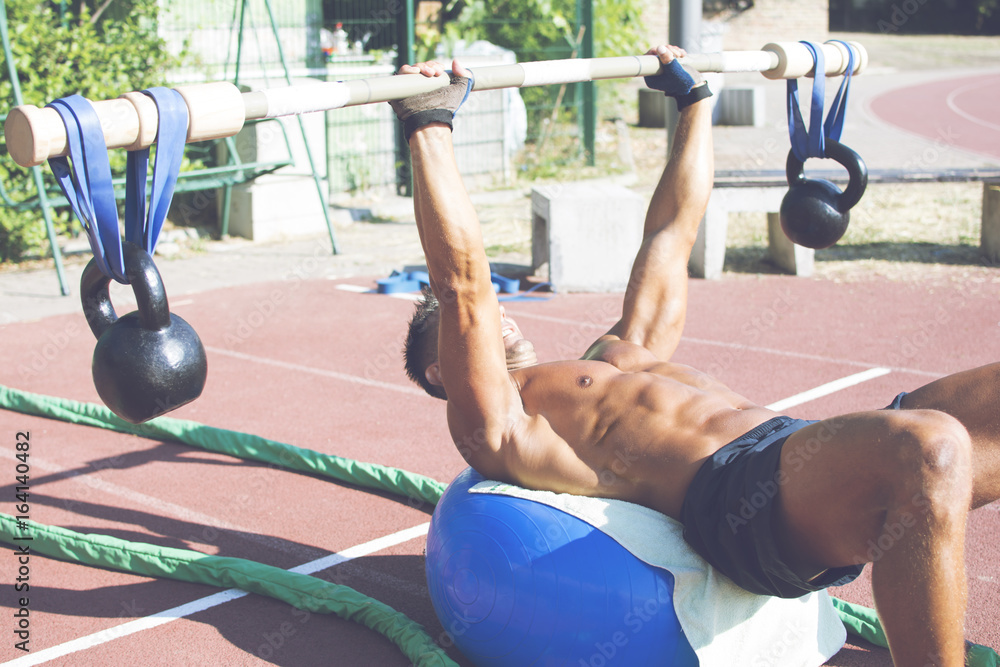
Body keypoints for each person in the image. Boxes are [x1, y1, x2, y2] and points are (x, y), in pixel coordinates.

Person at [391, 45, 999, 666]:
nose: (498, 313)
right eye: (459, 328)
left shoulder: (611, 353)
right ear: (442, 369)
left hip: (799, 448)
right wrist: (429, 123)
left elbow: (672, 233)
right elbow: (463, 284)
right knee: (930, 446)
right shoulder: (501, 423)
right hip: (742, 502)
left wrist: (694, 100)